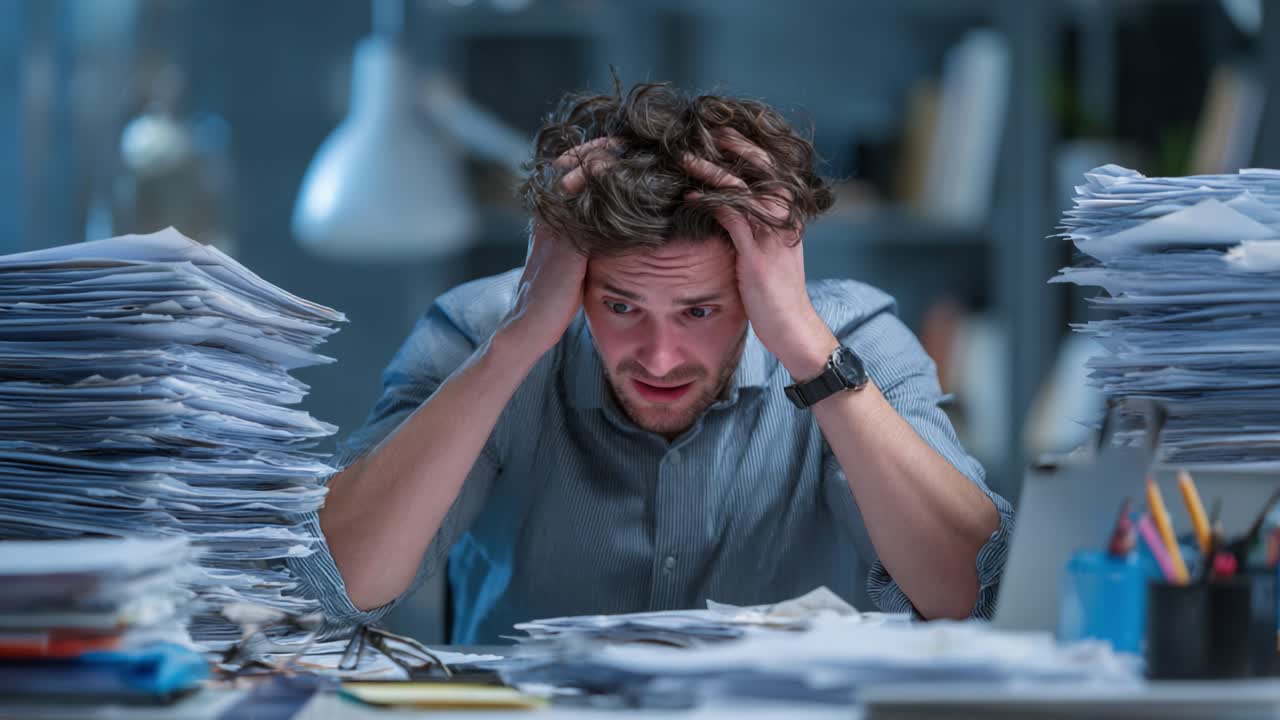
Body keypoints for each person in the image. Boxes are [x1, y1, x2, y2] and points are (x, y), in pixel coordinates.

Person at [289, 82, 1013, 644]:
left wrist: (802, 343)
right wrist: (516, 342)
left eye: (700, 311)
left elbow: (971, 596)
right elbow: (335, 585)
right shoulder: (476, 333)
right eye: (622, 306)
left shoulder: (855, 342)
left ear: (760, 286)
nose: (660, 358)